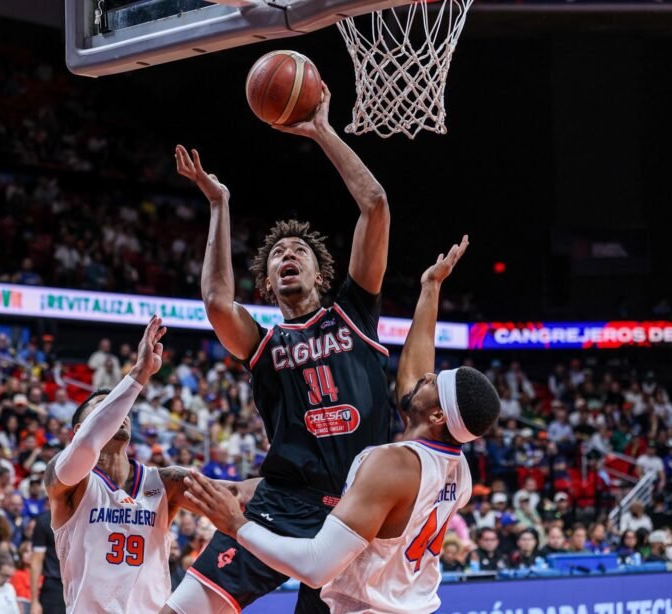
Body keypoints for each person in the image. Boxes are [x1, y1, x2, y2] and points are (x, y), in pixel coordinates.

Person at [182, 238, 502, 613]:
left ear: (436, 416)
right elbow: (415, 375)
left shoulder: (390, 464)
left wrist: (236, 524)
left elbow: (316, 565)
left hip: (362, 602)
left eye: (434, 384)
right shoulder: (457, 471)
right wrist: (430, 288)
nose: (426, 378)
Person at [170, 81, 392, 614]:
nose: (287, 255)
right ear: (268, 283)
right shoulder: (265, 344)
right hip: (284, 502)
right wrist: (219, 203)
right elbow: (217, 302)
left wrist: (322, 131)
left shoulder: (353, 312)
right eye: (277, 255)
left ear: (321, 273)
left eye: (298, 251)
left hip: (358, 511)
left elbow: (375, 205)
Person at [45, 317, 240, 612]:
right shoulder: (68, 480)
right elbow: (86, 445)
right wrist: (138, 375)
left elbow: (235, 493)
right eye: (105, 406)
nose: (120, 413)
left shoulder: (164, 482)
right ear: (79, 430)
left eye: (122, 406)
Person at [31, 510, 64, 614]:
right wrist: (34, 601)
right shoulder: (45, 520)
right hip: (54, 585)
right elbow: (36, 562)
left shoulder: (86, 516)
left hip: (79, 583)